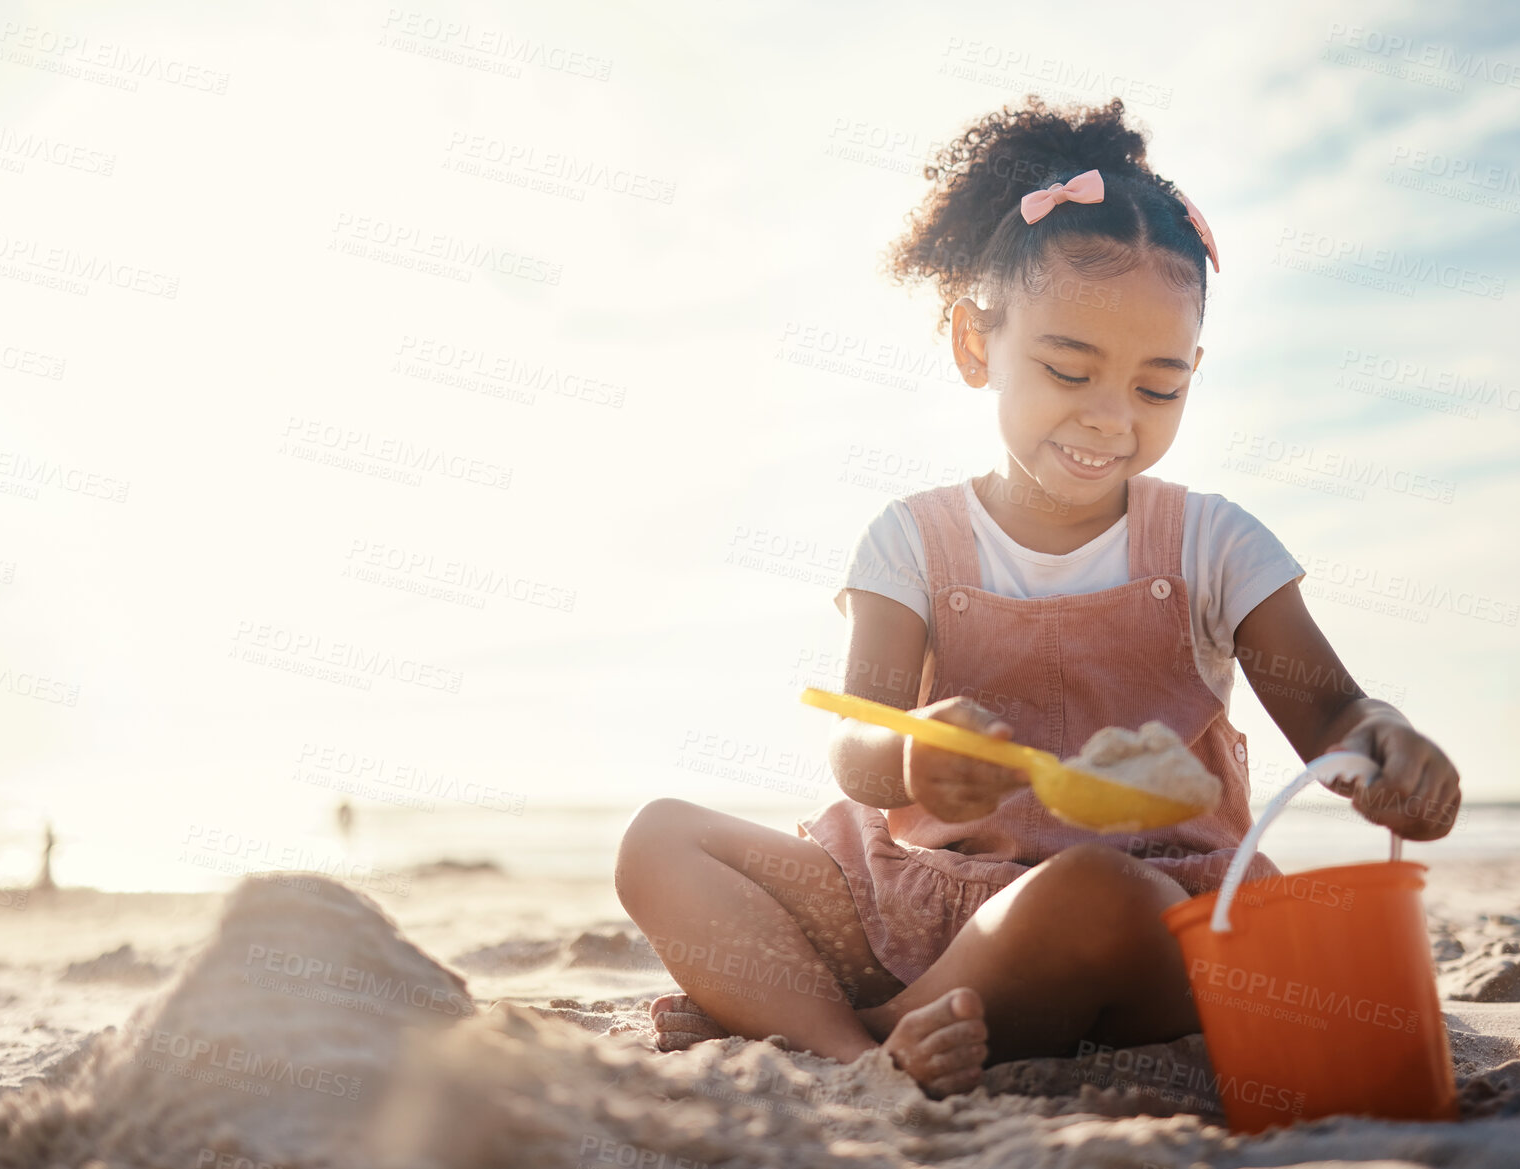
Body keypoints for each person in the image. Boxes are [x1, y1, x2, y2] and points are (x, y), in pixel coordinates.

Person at [614, 95, 1461, 1099]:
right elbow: (857, 745)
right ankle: (861, 1055)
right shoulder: (913, 538)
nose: (1111, 418)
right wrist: (918, 752)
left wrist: (1387, 739)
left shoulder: (1211, 540)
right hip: (911, 908)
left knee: (1089, 891)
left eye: (1158, 388)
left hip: (1136, 917)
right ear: (978, 347)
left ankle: (833, 1024)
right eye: (1070, 369)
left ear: (1195, 373)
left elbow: (1333, 714)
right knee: (659, 836)